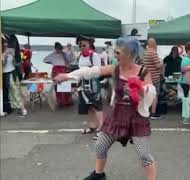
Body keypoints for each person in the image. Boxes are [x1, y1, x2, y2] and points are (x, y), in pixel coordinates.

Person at [54, 37, 157, 180]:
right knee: (100, 146)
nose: (114, 55)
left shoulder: (143, 72)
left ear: (129, 54)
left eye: (117, 52)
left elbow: (151, 92)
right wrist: (67, 76)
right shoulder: (115, 68)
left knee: (144, 155)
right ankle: (99, 174)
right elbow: (91, 71)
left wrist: (140, 90)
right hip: (116, 116)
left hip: (136, 118)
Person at [76, 35, 103, 136]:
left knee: (97, 106)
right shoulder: (80, 55)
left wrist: (87, 71)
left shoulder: (94, 55)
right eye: (80, 45)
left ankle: (101, 128)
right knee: (88, 106)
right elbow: (79, 69)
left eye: (84, 45)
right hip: (82, 83)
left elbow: (98, 70)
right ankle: (92, 125)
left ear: (90, 45)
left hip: (93, 83)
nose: (82, 47)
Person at [43, 42, 73, 106]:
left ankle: (67, 101)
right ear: (55, 48)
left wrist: (63, 56)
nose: (59, 50)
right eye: (58, 49)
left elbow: (69, 61)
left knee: (65, 85)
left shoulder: (64, 54)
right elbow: (45, 60)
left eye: (60, 49)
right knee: (57, 86)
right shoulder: (52, 55)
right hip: (56, 70)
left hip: (63, 69)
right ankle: (60, 101)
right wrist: (52, 63)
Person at [2, 41, 27, 116]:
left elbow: (15, 63)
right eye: (4, 46)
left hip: (12, 72)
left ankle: (22, 108)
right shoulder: (3, 54)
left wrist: (12, 56)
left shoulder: (11, 52)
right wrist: (5, 55)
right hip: (4, 73)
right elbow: (3, 64)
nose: (6, 47)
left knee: (16, 90)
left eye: (7, 45)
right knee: (7, 92)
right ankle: (8, 108)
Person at [142, 38, 162, 119]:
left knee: (146, 95)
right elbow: (158, 65)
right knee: (154, 95)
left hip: (146, 77)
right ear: (153, 44)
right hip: (154, 78)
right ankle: (153, 113)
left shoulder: (145, 53)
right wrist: (162, 63)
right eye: (155, 43)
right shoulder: (153, 53)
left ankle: (145, 111)